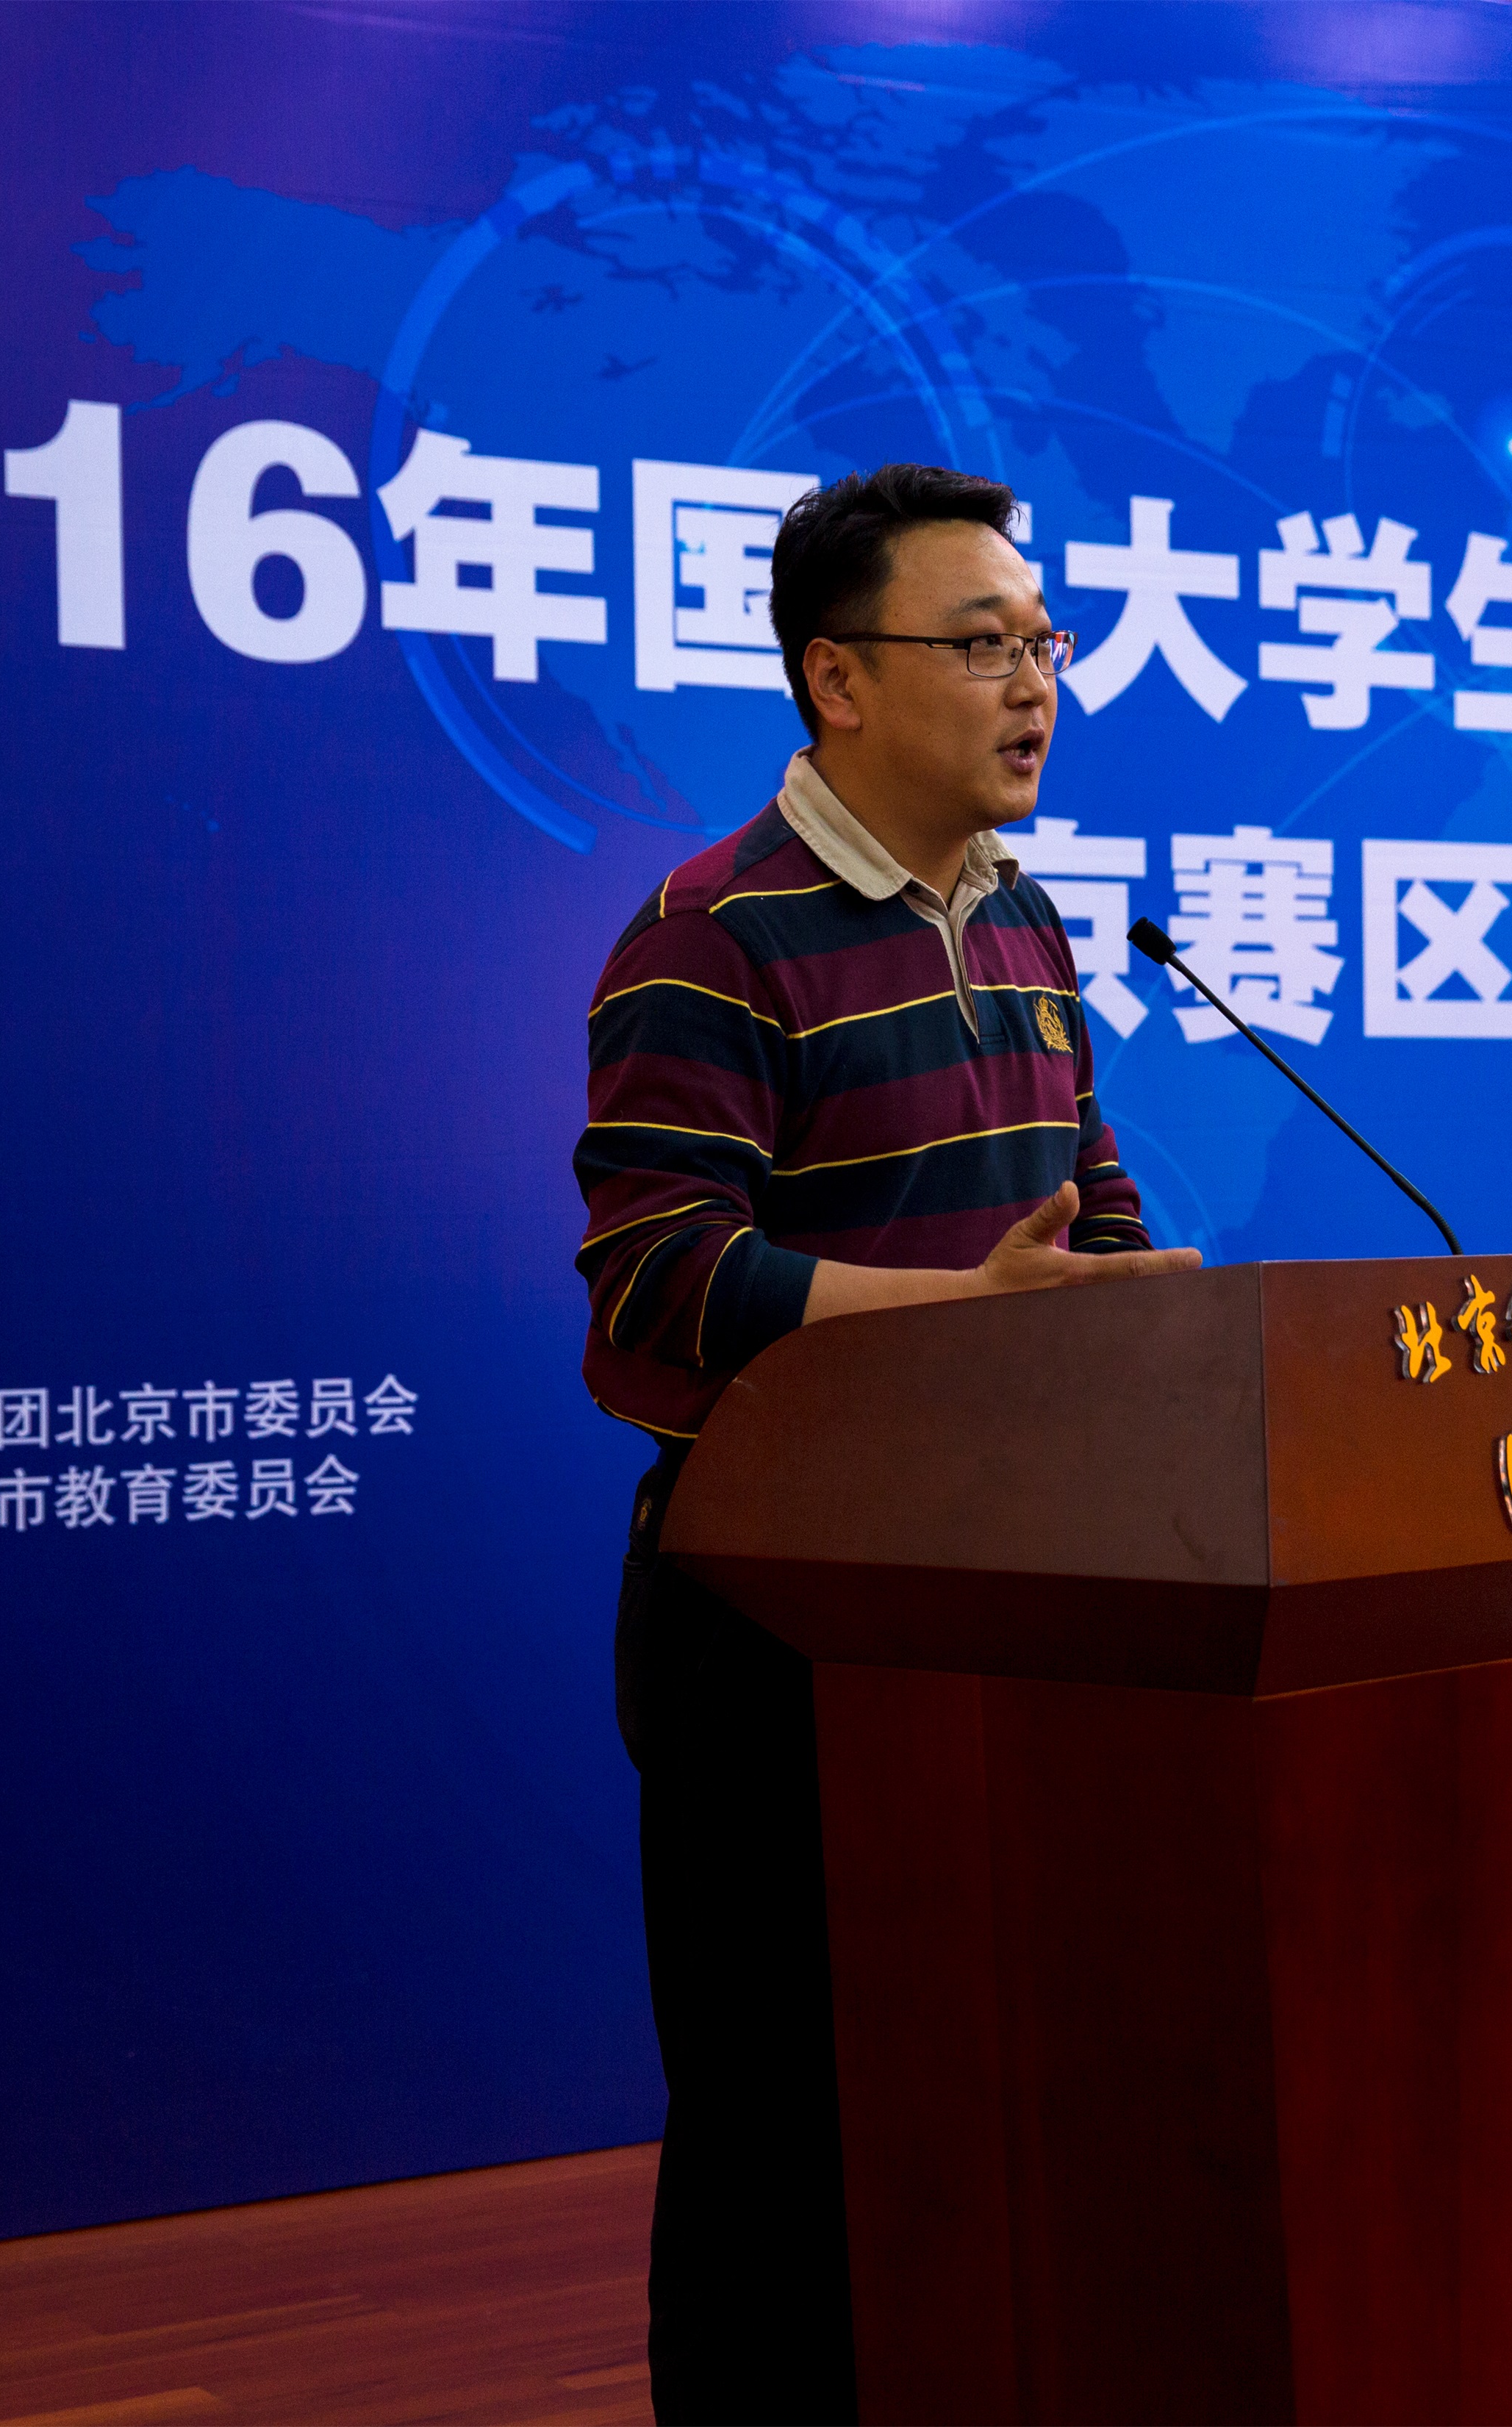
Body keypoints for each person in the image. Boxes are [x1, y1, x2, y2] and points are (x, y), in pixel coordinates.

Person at [573, 462, 1198, 2422]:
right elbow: (656, 1284)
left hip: (999, 1610)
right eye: (982, 645)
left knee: (973, 2109)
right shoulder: (709, 936)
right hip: (774, 1619)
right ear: (837, 680)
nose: (1034, 685)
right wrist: (962, 1315)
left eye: (1044, 643)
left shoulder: (1029, 927)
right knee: (781, 2134)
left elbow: (1083, 1211)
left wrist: (1143, 1302)